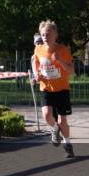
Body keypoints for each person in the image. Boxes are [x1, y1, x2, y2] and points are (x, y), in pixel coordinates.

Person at [32, 20, 76, 158]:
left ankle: (67, 144)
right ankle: (55, 129)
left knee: (63, 121)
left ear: (55, 35)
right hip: (46, 87)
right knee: (46, 114)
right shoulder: (38, 49)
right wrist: (36, 74)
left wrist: (60, 61)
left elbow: (71, 70)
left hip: (62, 89)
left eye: (48, 34)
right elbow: (35, 61)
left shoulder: (63, 50)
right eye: (43, 34)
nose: (45, 37)